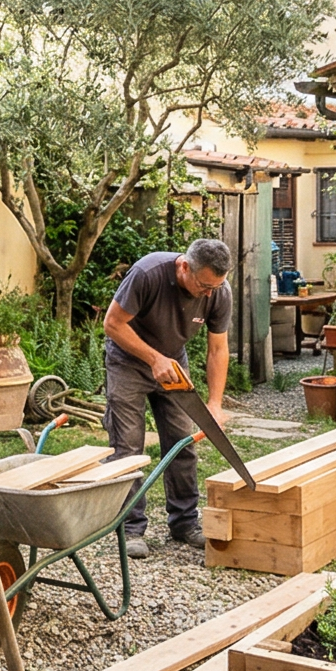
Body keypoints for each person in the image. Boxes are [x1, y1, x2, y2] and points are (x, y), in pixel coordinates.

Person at [101, 239, 233, 558]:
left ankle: (185, 523)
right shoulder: (148, 274)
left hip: (173, 362)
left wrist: (215, 403)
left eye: (216, 286)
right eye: (205, 285)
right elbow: (112, 324)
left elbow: (218, 349)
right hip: (128, 362)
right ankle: (130, 528)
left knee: (181, 443)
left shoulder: (218, 292)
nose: (209, 293)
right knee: (128, 447)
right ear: (183, 267)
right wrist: (152, 358)